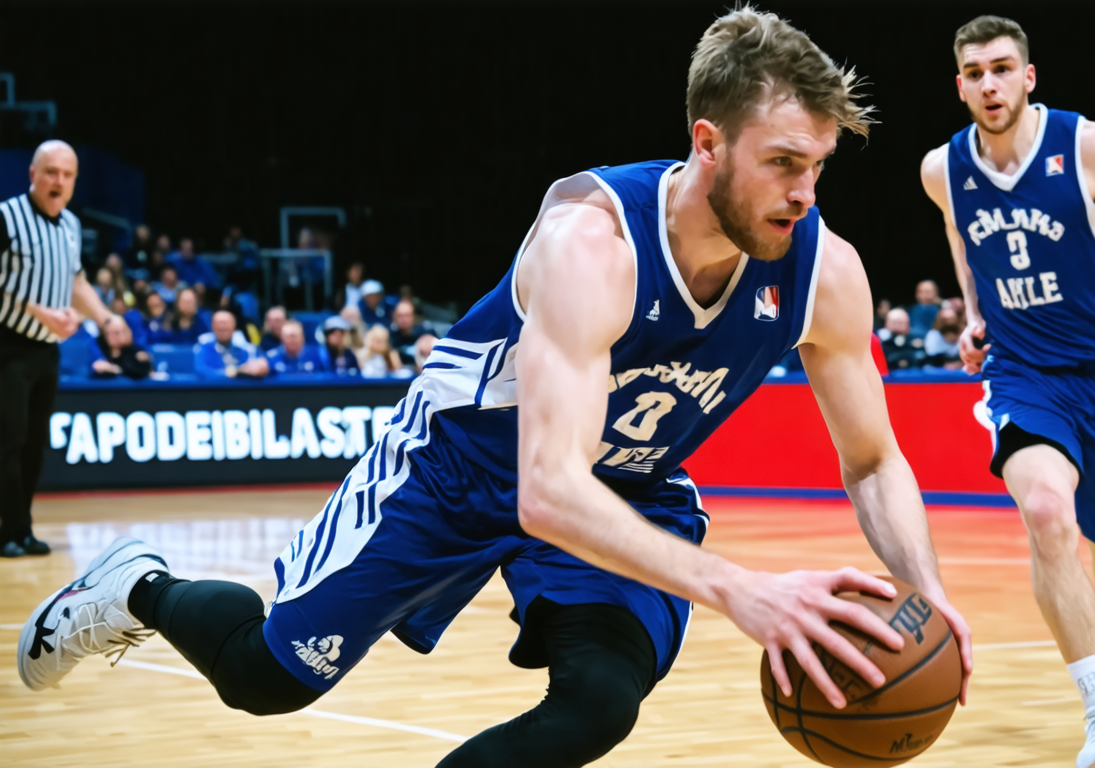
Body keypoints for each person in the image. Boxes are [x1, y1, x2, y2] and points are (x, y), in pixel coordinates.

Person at [18, 10, 973, 767]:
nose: (806, 193)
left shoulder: (823, 270)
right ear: (708, 143)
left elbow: (874, 457)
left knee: (598, 704)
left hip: (628, 486)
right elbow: (546, 489)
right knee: (268, 679)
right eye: (784, 163)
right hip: (463, 462)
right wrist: (747, 594)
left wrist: (925, 599)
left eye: (818, 167)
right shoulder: (591, 243)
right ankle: (141, 588)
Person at [919, 16, 1095, 768]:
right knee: (1045, 512)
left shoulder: (1091, 145)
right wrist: (976, 316)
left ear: (1028, 76)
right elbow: (962, 236)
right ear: (960, 85)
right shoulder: (942, 169)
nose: (989, 83)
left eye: (1002, 68)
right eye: (975, 72)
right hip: (1022, 375)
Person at [0, 140, 114, 558]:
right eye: (51, 172)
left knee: (33, 443)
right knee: (7, 441)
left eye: (67, 175)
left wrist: (105, 319)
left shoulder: (69, 224)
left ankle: (22, 529)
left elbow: (77, 282)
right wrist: (36, 309)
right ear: (33, 174)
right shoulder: (6, 217)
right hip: (7, 345)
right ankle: (7, 531)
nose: (58, 182)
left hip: (46, 350)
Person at [194, 311, 269, 379]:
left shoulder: (248, 348)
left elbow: (262, 365)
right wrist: (236, 372)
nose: (222, 326)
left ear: (234, 326)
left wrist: (260, 367)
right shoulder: (203, 348)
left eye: (226, 323)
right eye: (219, 323)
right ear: (212, 326)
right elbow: (202, 372)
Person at [89, 315, 152, 380]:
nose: (121, 336)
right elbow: (97, 366)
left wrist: (116, 369)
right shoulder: (98, 345)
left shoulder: (136, 350)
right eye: (116, 333)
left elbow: (142, 369)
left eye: (124, 331)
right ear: (105, 334)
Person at [388, 299, 433, 364]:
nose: (404, 320)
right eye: (400, 316)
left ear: (413, 316)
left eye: (407, 315)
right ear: (395, 317)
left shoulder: (426, 332)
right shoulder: (392, 335)